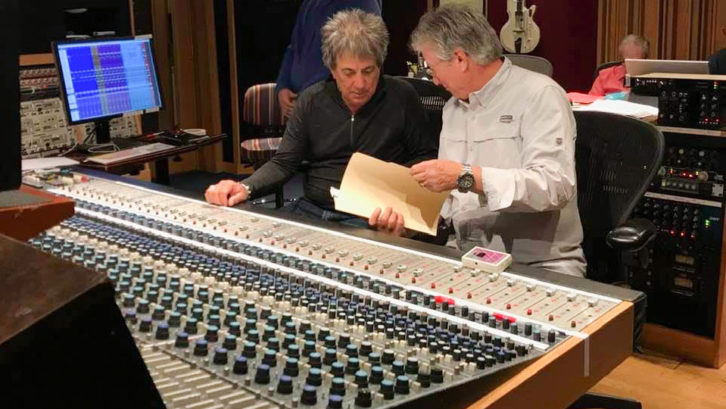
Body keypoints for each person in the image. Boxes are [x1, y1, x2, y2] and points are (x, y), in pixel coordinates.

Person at [369, 5, 586, 277]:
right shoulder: (453, 108)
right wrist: (408, 223)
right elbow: (451, 204)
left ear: (460, 59)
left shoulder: (541, 95)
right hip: (463, 256)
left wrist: (465, 177)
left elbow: (554, 185)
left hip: (535, 266)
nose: (434, 79)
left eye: (433, 67)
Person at [206, 9, 436, 227]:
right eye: (348, 73)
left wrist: (391, 188)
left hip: (370, 218)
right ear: (332, 69)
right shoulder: (311, 100)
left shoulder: (402, 96)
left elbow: (425, 157)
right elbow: (284, 162)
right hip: (312, 209)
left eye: (368, 71)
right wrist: (244, 187)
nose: (360, 83)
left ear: (380, 64)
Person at [276, 0, 381, 119]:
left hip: (334, 114)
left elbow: (360, 62)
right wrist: (282, 86)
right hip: (302, 109)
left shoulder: (364, 3)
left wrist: (305, 99)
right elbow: (294, 47)